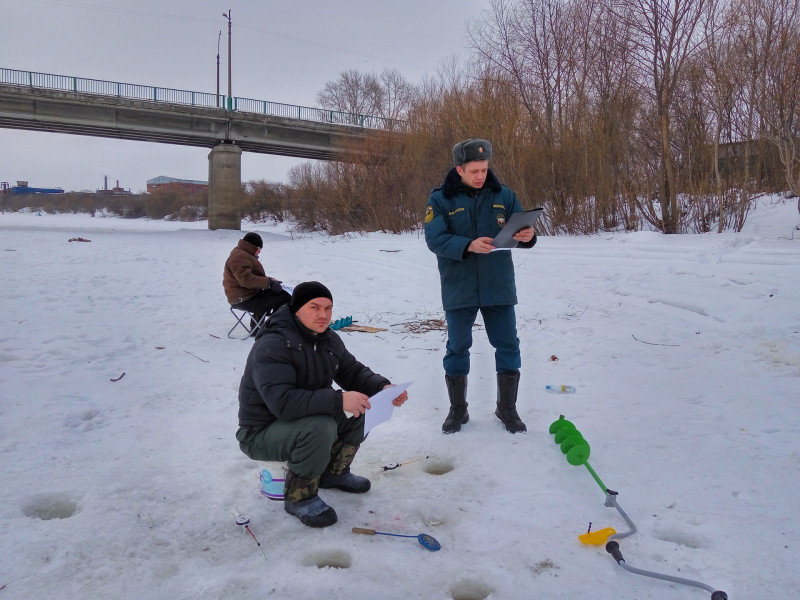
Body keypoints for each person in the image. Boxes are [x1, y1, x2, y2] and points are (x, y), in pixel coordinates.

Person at [235, 281, 409, 528]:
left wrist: (383, 387)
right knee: (321, 426)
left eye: (328, 308)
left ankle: (333, 473)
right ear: (296, 309)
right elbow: (282, 403)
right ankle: (299, 497)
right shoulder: (273, 344)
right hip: (260, 432)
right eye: (314, 307)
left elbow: (353, 371)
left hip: (298, 420)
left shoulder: (328, 339)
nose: (323, 315)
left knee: (359, 410)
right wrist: (338, 400)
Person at [424, 138, 537, 435]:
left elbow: (520, 230)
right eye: (474, 170)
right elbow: (434, 239)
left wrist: (528, 236)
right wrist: (468, 245)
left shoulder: (505, 196)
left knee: (508, 344)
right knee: (458, 347)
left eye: (484, 169)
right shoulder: (440, 200)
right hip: (459, 286)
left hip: (498, 285)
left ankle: (507, 408)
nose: (480, 176)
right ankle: (458, 409)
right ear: (459, 169)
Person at [223, 232, 291, 328]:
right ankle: (275, 327)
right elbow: (246, 280)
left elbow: (251, 276)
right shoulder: (240, 257)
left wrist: (270, 281)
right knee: (285, 297)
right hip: (243, 299)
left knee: (277, 293)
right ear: (252, 247)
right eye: (259, 249)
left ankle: (258, 327)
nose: (259, 252)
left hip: (246, 296)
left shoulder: (242, 253)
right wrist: (268, 282)